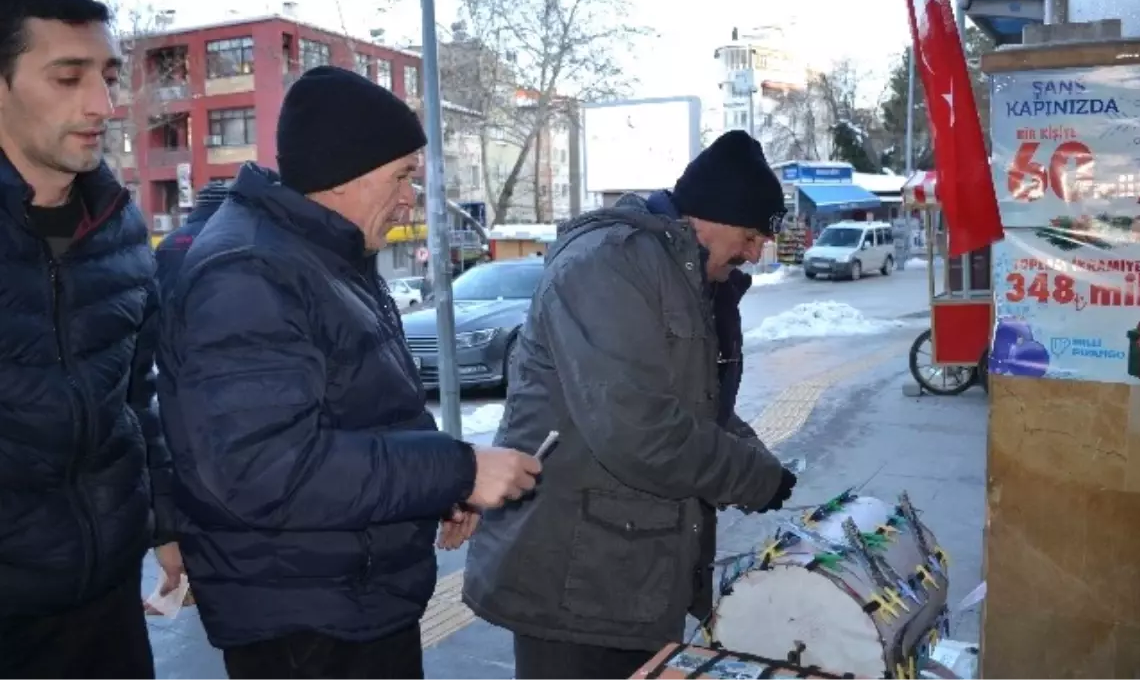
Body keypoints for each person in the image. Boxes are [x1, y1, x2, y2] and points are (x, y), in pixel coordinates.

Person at [155, 65, 542, 680]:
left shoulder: (319, 256)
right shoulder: (251, 273)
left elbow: (358, 414)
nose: (410, 195)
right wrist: (457, 467)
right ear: (345, 176)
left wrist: (438, 486)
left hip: (344, 597)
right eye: (401, 176)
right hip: (307, 624)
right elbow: (264, 468)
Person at [463, 129, 799, 680]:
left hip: (626, 574)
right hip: (574, 582)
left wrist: (758, 458)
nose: (755, 253)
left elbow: (696, 403)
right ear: (712, 215)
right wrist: (752, 477)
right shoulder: (608, 265)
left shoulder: (682, 275)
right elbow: (639, 429)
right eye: (752, 234)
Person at [0, 0, 181, 680]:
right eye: (68, 77)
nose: (102, 105)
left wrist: (164, 520)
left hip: (105, 608)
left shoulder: (122, 229)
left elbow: (135, 399)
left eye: (106, 77)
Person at [153, 179, 229, 302]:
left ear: (198, 206)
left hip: (170, 316)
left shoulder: (169, 242)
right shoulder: (230, 241)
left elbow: (154, 286)